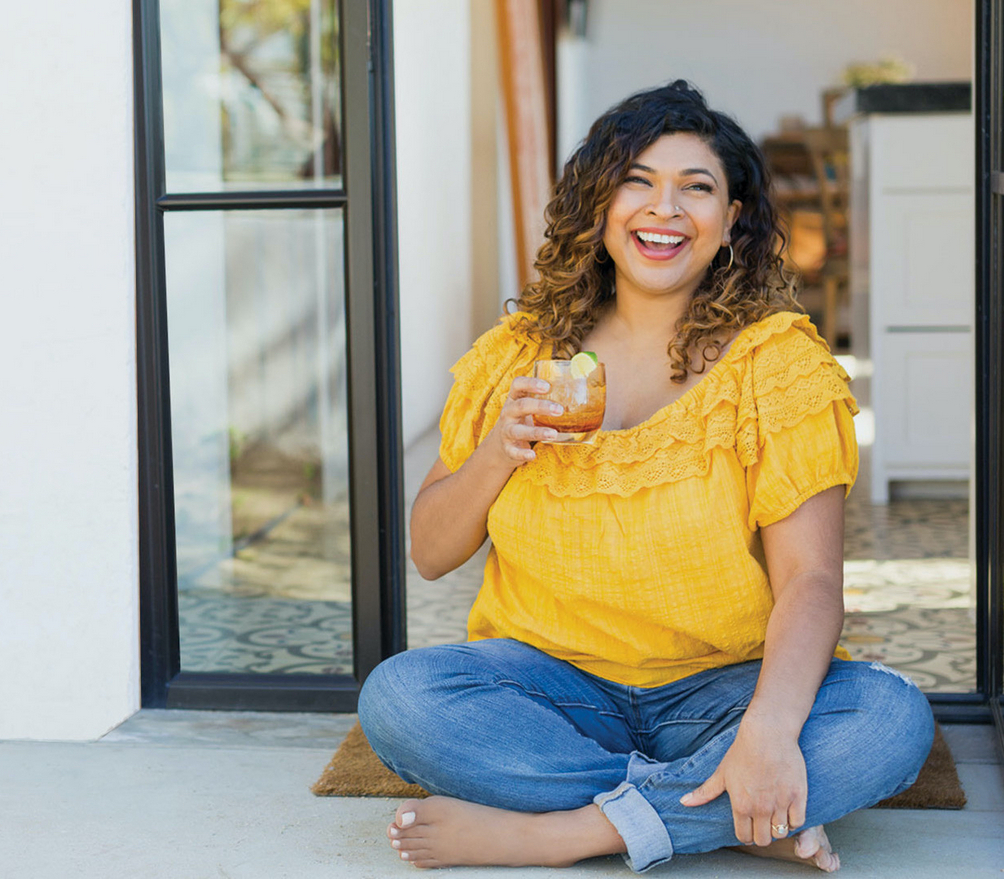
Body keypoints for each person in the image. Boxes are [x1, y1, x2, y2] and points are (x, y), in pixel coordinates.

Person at [357, 81, 933, 873]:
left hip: (724, 687)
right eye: (637, 181)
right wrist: (498, 448)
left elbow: (811, 582)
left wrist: (764, 729)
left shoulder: (777, 365)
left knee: (888, 718)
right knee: (400, 699)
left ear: (730, 223)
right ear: (599, 207)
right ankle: (732, 813)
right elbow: (428, 551)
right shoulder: (517, 353)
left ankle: (565, 832)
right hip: (551, 687)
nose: (663, 210)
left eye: (695, 188)